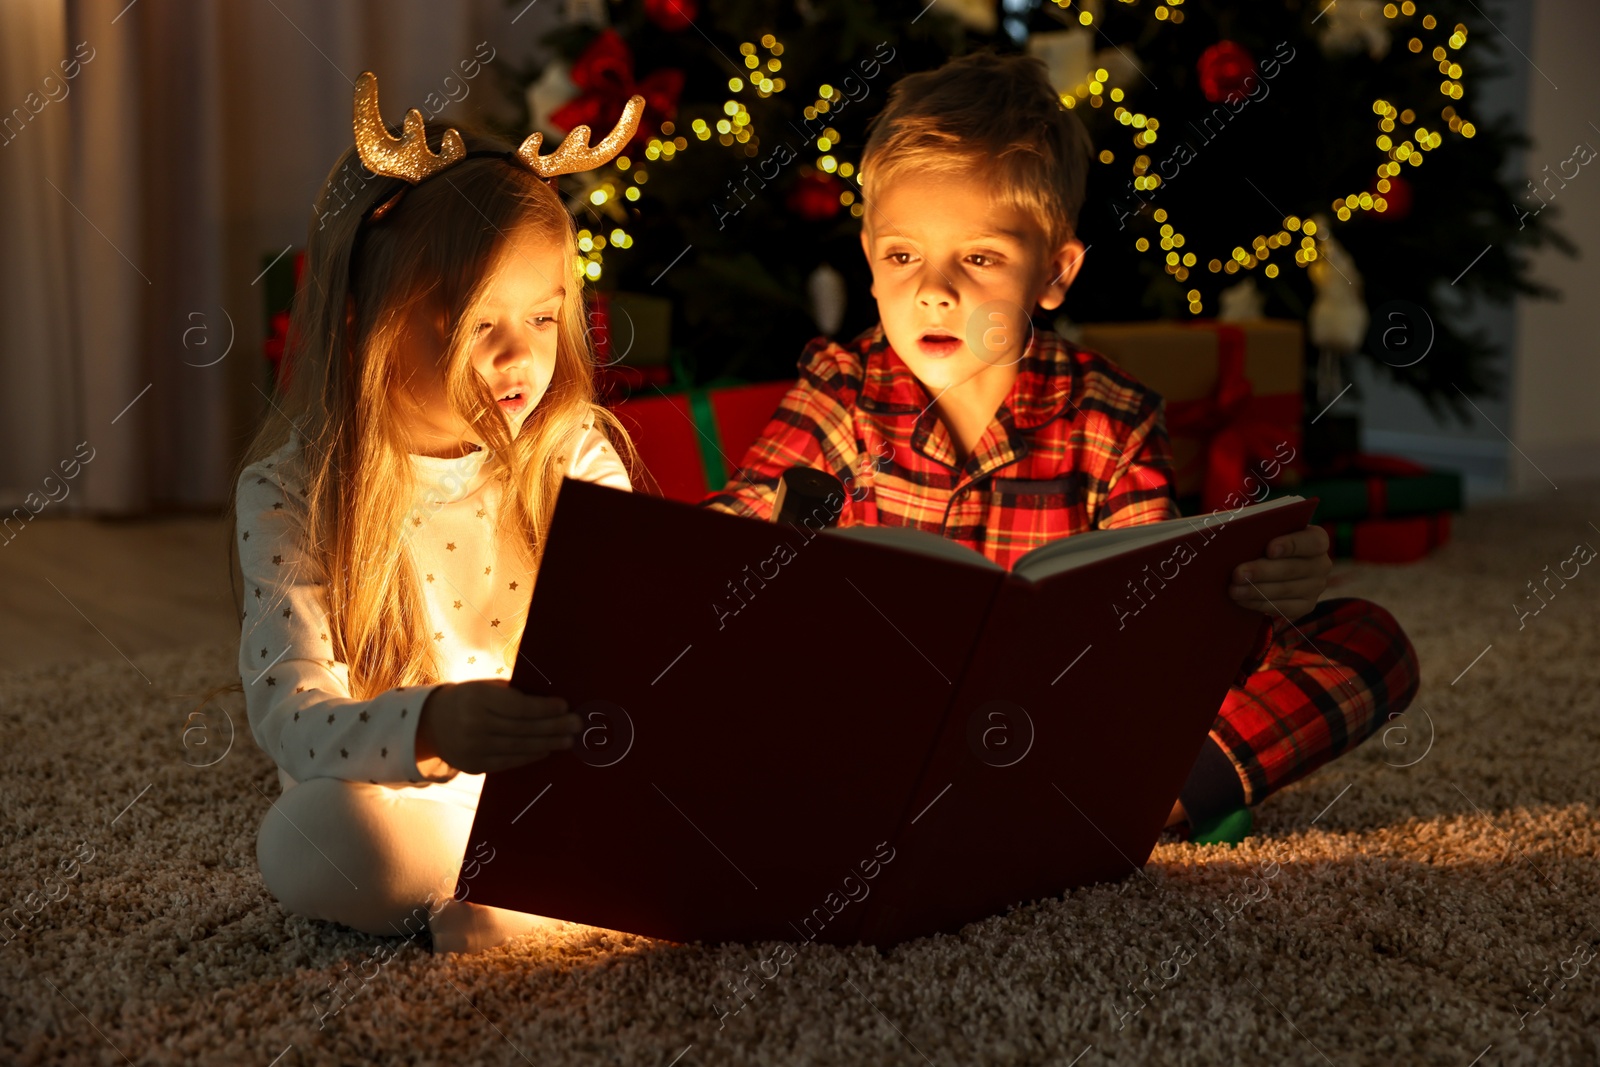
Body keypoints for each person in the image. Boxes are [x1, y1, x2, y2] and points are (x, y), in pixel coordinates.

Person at [703, 51, 1420, 842]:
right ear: (870, 261)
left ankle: (1140, 802)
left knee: (1366, 640)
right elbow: (722, 544)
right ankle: (1062, 817)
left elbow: (1160, 633)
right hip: (880, 730)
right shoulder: (840, 391)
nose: (933, 289)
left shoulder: (1109, 418)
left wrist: (1263, 590)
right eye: (902, 255)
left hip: (1050, 740)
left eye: (979, 258)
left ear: (1054, 272)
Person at [223, 75, 642, 954]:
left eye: (541, 316)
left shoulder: (575, 455)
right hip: (412, 793)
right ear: (364, 322)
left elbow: (638, 651)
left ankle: (530, 886)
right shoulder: (292, 491)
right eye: (477, 321)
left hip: (573, 781)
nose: (522, 352)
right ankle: (532, 894)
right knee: (311, 839)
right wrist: (433, 727)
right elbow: (292, 719)